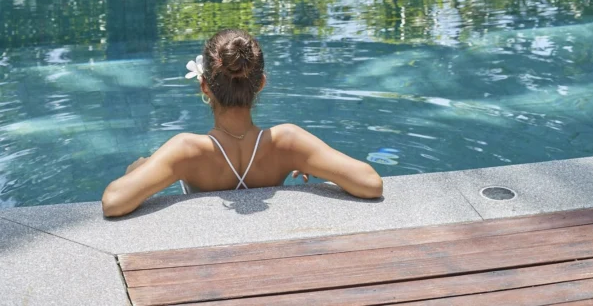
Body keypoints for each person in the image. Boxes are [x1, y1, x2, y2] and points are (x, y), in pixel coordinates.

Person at [102, 29, 383, 217]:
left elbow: (113, 202)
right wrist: (314, 163)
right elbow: (370, 183)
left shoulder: (186, 150)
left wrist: (140, 168)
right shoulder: (288, 142)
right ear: (260, 83)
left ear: (204, 85)